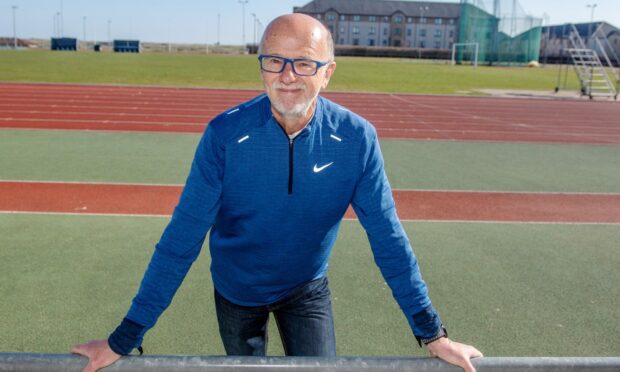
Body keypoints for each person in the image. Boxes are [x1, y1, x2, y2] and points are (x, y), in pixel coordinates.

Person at [72, 13, 483, 372]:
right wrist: (125, 337)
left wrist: (433, 333)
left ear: (328, 71)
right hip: (236, 290)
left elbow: (388, 239)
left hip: (306, 287)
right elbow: (181, 240)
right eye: (275, 61)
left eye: (304, 63)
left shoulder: (357, 139)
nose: (287, 76)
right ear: (262, 67)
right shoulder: (224, 135)